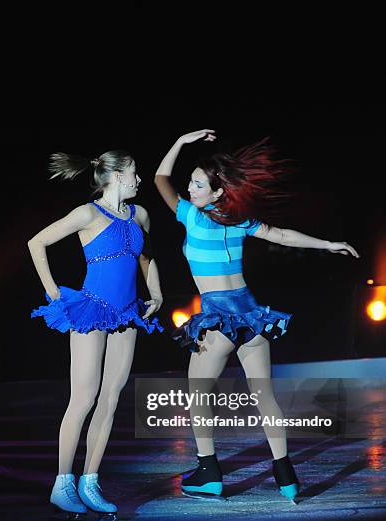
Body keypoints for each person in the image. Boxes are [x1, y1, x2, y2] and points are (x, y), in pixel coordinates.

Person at [154, 129, 359, 502]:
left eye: (198, 184)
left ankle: (208, 472)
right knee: (264, 395)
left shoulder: (191, 217)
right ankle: (285, 475)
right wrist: (328, 244)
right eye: (192, 183)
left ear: (217, 192)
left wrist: (181, 142)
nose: (191, 188)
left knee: (198, 393)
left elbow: (159, 179)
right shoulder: (240, 220)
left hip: (217, 316)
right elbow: (282, 235)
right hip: (251, 316)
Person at [29, 149, 163, 521]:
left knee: (111, 397)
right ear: (117, 175)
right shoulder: (88, 213)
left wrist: (158, 293)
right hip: (90, 312)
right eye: (135, 173)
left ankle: (90, 481)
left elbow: (147, 257)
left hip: (126, 313)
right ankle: (62, 483)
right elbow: (36, 243)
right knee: (84, 397)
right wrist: (53, 291)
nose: (139, 179)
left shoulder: (141, 215)